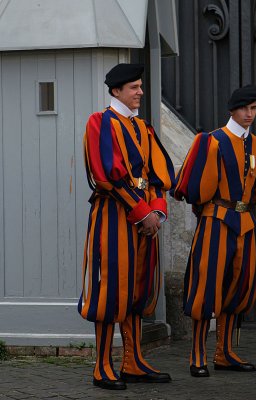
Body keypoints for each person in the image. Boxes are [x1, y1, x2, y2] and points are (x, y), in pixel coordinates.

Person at [78, 63, 175, 390]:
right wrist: (142, 212)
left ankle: (133, 361)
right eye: (134, 87)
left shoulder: (143, 128)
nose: (140, 92)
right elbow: (106, 176)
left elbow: (160, 176)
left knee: (138, 288)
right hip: (114, 216)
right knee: (111, 290)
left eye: (140, 86)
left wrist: (157, 213)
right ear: (116, 90)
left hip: (145, 218)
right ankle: (102, 366)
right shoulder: (100, 122)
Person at [172, 85, 256, 377]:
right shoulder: (211, 141)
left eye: (254, 109)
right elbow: (189, 188)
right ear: (232, 110)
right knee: (207, 287)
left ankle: (224, 353)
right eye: (245, 108)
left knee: (238, 287)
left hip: (244, 223)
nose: (250, 114)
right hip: (215, 220)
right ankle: (197, 355)